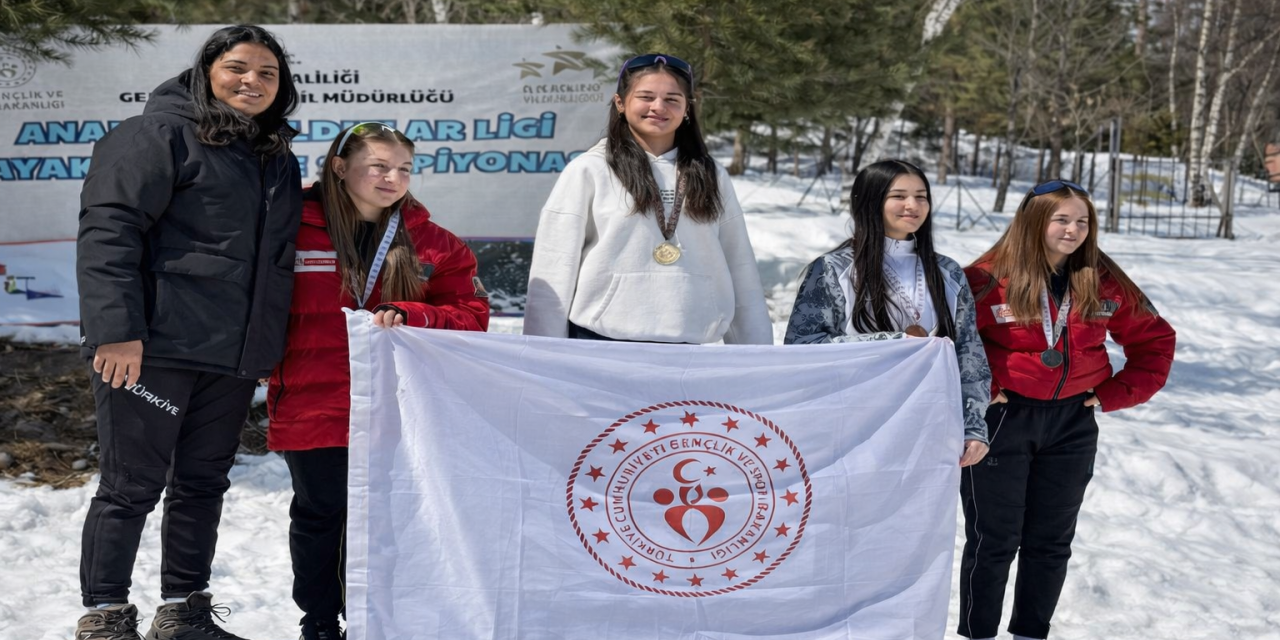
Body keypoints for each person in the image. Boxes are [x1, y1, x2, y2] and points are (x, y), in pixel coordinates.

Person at [73, 25, 302, 640]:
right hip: (152, 350)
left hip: (229, 357)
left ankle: (183, 612)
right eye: (238, 67)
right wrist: (117, 331)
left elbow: (270, 264)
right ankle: (105, 615)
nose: (252, 81)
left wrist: (260, 352)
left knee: (202, 484)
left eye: (267, 73)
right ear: (206, 72)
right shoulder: (158, 134)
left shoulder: (273, 156)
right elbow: (109, 229)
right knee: (131, 485)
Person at [266, 122, 490, 640]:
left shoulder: (431, 241)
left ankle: (380, 616)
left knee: (389, 514)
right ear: (340, 168)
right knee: (321, 512)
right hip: (313, 395)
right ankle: (320, 619)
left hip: (398, 404)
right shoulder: (288, 224)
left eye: (404, 169)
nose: (394, 178)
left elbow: (473, 312)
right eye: (379, 167)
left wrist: (417, 314)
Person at [958, 180, 1176, 640]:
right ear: (1034, 221)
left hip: (1072, 424)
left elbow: (1155, 340)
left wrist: (1114, 393)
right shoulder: (984, 278)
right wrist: (988, 387)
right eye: (1062, 219)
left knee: (1051, 541)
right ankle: (977, 634)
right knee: (994, 541)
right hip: (1002, 421)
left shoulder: (1101, 278)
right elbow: (953, 345)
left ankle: (1030, 633)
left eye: (1083, 221)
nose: (1074, 230)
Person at [523, 53, 772, 345]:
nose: (658, 107)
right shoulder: (589, 170)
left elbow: (739, 265)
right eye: (646, 96)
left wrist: (756, 354)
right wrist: (540, 352)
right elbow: (554, 265)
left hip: (689, 348)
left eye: (672, 99)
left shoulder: (710, 173)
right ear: (620, 103)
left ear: (687, 108)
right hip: (600, 344)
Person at [784, 159, 992, 466]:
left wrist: (974, 426)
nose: (913, 205)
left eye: (921, 196)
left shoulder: (946, 271)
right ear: (870, 200)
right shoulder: (834, 269)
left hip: (930, 426)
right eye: (898, 196)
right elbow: (802, 349)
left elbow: (969, 354)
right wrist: (893, 342)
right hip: (852, 428)